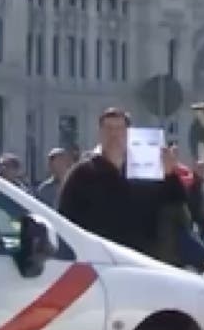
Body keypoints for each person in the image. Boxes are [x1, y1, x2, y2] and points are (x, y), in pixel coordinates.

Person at [58, 107, 185, 257]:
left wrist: (170, 175)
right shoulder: (82, 174)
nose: (114, 135)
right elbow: (64, 218)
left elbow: (176, 204)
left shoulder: (146, 170)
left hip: (140, 259)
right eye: (108, 128)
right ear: (100, 133)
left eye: (119, 128)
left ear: (128, 133)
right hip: (97, 259)